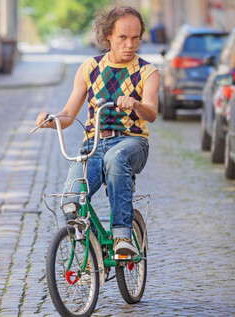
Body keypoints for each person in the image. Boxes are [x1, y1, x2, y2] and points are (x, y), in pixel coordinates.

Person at [35, 6, 160, 255]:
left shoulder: (148, 72)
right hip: (93, 146)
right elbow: (69, 114)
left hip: (132, 143)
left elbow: (152, 113)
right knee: (71, 202)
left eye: (135, 37)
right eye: (123, 37)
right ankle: (96, 251)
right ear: (108, 36)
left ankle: (122, 237)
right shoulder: (90, 68)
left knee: (116, 158)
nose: (130, 44)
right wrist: (51, 120)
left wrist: (135, 104)